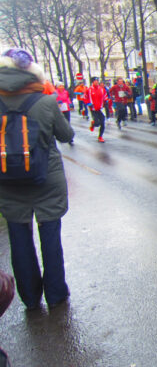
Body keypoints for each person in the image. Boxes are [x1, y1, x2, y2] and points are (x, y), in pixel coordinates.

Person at [0, 48, 74, 310]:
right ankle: (56, 293)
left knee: (19, 239)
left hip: (7, 181)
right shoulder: (46, 102)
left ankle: (30, 297)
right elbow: (65, 135)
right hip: (46, 179)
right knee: (50, 237)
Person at [85, 77, 108, 142]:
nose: (97, 82)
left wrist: (106, 101)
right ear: (92, 82)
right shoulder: (89, 90)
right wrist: (88, 103)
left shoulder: (102, 89)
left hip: (100, 108)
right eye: (95, 81)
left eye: (97, 81)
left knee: (102, 123)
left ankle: (100, 136)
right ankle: (93, 123)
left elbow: (105, 96)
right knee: (97, 123)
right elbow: (85, 97)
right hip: (93, 108)